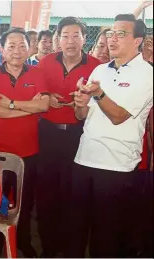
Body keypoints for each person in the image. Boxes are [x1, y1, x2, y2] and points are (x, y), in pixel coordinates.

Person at [69, 14, 153, 257]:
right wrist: (81, 102)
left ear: (138, 40)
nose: (112, 39)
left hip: (117, 166)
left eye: (121, 34)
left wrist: (98, 94)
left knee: (106, 236)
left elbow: (119, 116)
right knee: (76, 230)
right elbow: (81, 116)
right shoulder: (99, 69)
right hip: (84, 158)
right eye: (111, 33)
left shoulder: (146, 74)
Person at [36, 17, 101, 257]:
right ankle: (49, 248)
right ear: (58, 39)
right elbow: (36, 90)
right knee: (47, 194)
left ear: (85, 38)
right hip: (48, 133)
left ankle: (72, 249)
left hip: (80, 135)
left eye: (76, 36)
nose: (70, 41)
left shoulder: (96, 66)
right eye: (65, 36)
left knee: (76, 195)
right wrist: (46, 95)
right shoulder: (45, 62)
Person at [0, 28, 49, 258]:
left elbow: (43, 106)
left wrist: (10, 104)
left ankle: (22, 242)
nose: (17, 51)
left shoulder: (38, 74)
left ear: (29, 48)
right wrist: (26, 108)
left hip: (28, 151)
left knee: (25, 201)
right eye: (11, 46)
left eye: (22, 45)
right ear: (1, 49)